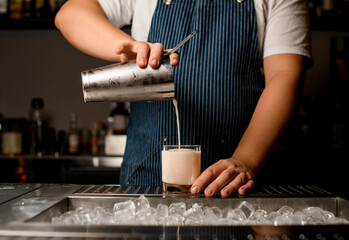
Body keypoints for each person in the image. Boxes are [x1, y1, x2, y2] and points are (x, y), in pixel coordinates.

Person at [55, 0, 312, 197]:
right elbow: (71, 12)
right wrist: (127, 45)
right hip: (146, 186)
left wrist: (246, 160)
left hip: (234, 188)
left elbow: (285, 75)